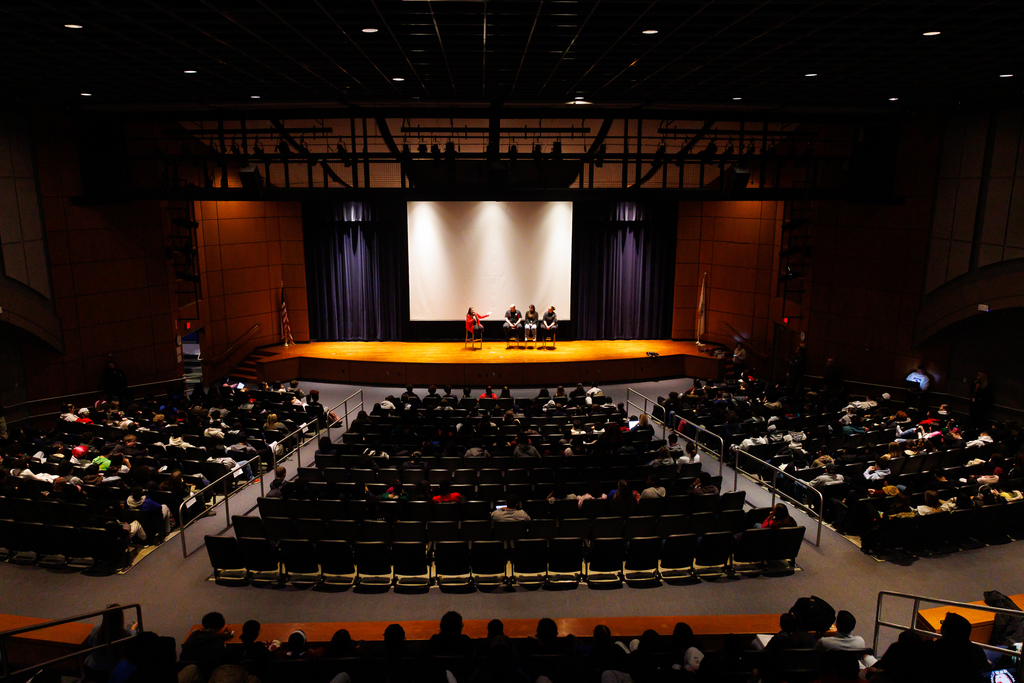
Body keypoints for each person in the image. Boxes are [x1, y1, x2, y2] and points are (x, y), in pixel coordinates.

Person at [83, 604, 135, 682]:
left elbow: (90, 645)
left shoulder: (96, 630)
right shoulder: (126, 635)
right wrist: (134, 628)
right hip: (111, 671)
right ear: (121, 619)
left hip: (92, 668)